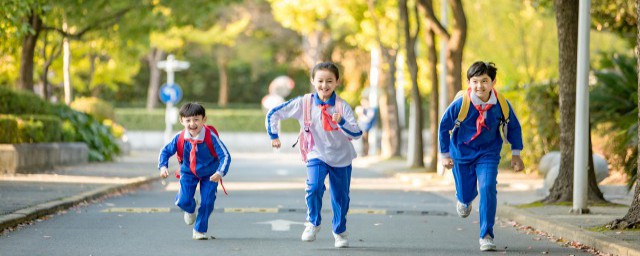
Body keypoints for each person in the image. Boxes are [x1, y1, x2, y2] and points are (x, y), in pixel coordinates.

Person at [265, 62, 362, 248]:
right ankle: (313, 222)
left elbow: (356, 133)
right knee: (314, 187)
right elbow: (274, 113)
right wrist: (274, 135)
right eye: (320, 81)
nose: (324, 85)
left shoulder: (342, 107)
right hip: (315, 153)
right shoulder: (304, 103)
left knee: (341, 197)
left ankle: (339, 231)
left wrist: (342, 122)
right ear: (312, 81)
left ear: (337, 82)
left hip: (341, 157)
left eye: (329, 81)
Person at [438, 61, 524, 251]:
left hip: (488, 153)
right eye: (475, 81)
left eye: (484, 81)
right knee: (466, 193)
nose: (479, 86)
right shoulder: (462, 103)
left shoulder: (501, 104)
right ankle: (463, 198)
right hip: (461, 153)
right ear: (469, 82)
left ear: (493, 82)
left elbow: (514, 127)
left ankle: (486, 235)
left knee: (487, 187)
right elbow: (444, 126)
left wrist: (516, 154)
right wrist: (444, 155)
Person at [158, 102, 231, 240]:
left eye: (196, 119)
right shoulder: (180, 137)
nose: (192, 124)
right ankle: (190, 208)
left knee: (208, 202)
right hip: (188, 172)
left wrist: (220, 172)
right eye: (188, 120)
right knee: (182, 200)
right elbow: (165, 151)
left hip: (210, 174)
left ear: (204, 120)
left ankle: (199, 230)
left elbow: (225, 155)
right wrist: (163, 167)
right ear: (181, 121)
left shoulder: (210, 136)